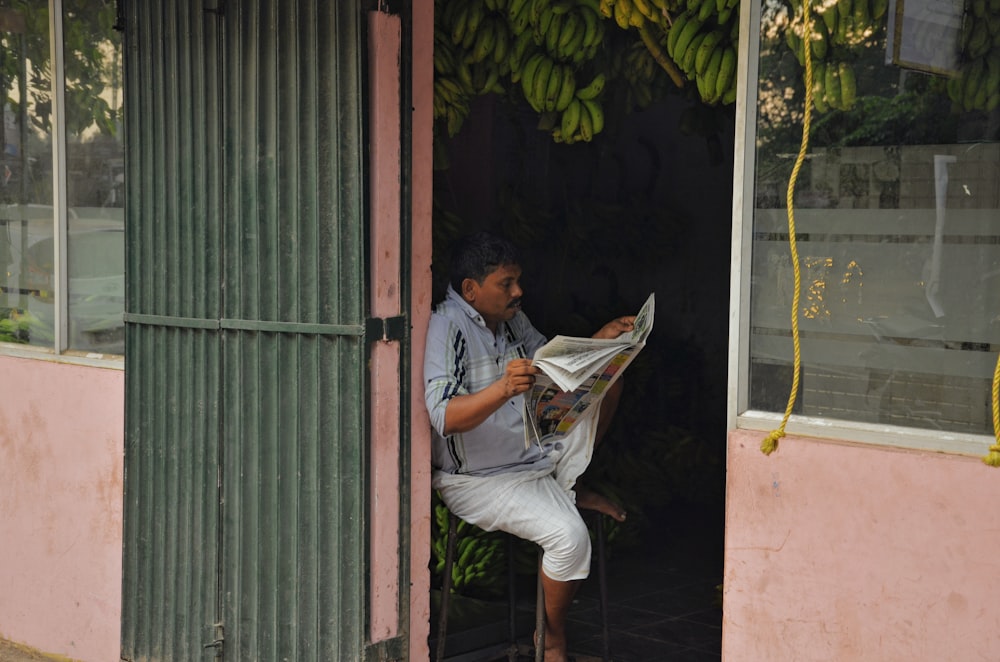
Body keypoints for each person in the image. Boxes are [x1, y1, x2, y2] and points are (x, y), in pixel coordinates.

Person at [423, 232, 635, 662]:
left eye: (518, 281)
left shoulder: (512, 320)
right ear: (471, 289)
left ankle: (569, 487)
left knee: (610, 384)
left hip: (530, 454)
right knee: (569, 538)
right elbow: (442, 415)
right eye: (506, 283)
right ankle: (553, 636)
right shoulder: (448, 325)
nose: (518, 291)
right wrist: (502, 390)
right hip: (479, 480)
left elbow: (555, 368)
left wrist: (602, 342)